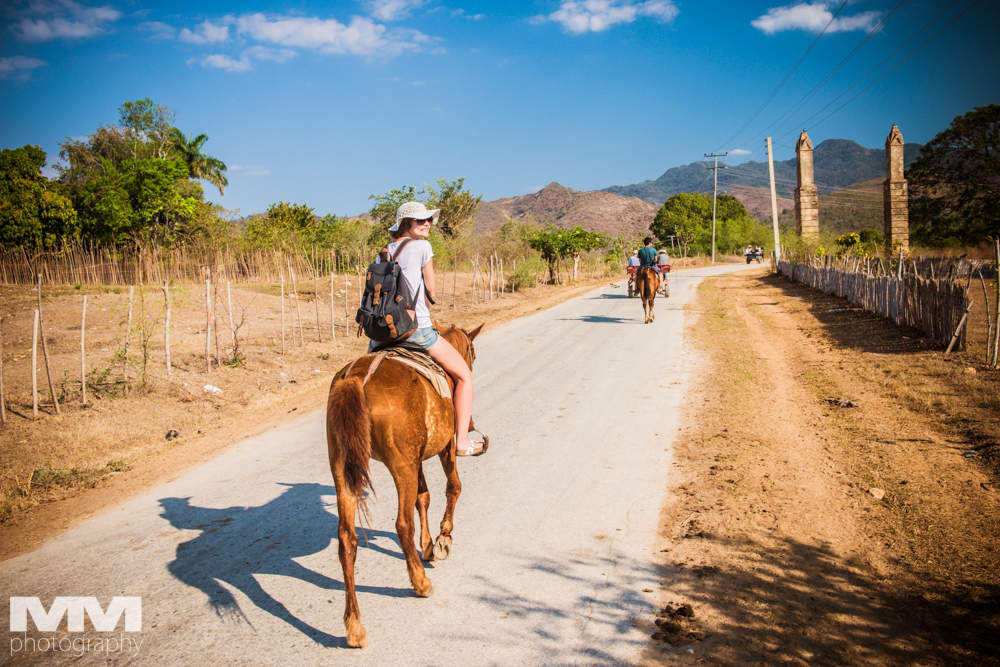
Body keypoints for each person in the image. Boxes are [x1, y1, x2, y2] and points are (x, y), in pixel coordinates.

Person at [377, 201, 485, 456]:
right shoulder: (422, 247)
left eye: (429, 220)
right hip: (416, 331)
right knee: (464, 377)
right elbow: (431, 292)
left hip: (381, 335)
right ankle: (462, 442)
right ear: (406, 223)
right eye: (421, 220)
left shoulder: (384, 251)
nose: (428, 224)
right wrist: (423, 307)